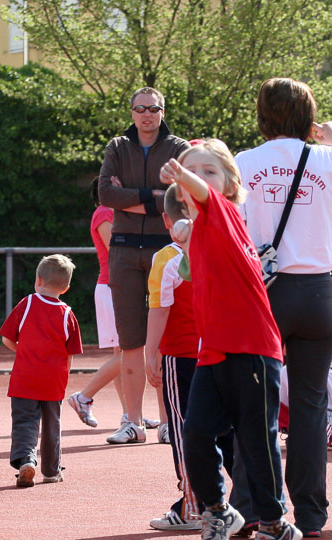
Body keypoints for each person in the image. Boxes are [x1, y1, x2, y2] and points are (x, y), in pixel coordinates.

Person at [234, 77, 332, 536]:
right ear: (309, 116)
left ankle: (251, 507)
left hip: (263, 291)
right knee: (310, 403)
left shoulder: (245, 162)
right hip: (318, 293)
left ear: (262, 114)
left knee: (255, 402)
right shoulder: (328, 159)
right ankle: (311, 512)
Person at [161, 138, 301, 540]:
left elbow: (205, 198)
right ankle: (219, 510)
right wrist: (183, 229)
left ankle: (275, 527)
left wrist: (183, 177)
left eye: (210, 171)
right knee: (196, 435)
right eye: (192, 171)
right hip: (215, 350)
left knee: (256, 444)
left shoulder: (225, 215)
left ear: (229, 184)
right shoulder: (199, 228)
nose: (200, 179)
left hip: (253, 349)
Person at [98, 87, 190, 444]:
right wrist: (154, 196)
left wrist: (132, 197)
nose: (147, 114)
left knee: (167, 339)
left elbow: (179, 196)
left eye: (153, 108)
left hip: (165, 249)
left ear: (163, 111)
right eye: (140, 108)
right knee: (131, 341)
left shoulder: (179, 148)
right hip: (122, 250)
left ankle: (169, 419)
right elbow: (105, 194)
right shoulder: (118, 147)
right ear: (132, 111)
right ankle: (132, 422)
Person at [146, 185, 210, 530]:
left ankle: (193, 504)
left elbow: (159, 309)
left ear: (166, 219)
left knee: (184, 429)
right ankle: (240, 500)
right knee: (223, 429)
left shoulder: (166, 258)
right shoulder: (217, 249)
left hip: (181, 354)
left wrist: (149, 353)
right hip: (217, 352)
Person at [0, 255, 83, 487]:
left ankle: (26, 459)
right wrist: (63, 376)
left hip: (25, 376)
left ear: (38, 279)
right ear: (66, 287)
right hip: (53, 378)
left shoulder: (26, 304)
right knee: (52, 424)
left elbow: (7, 338)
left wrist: (22, 351)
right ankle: (51, 470)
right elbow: (70, 354)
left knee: (24, 420)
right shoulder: (68, 314)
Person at [66, 179, 127, 430]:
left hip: (119, 288)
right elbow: (118, 251)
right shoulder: (103, 212)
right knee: (131, 354)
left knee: (124, 355)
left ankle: (130, 414)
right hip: (113, 288)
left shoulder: (113, 213)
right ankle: (83, 397)